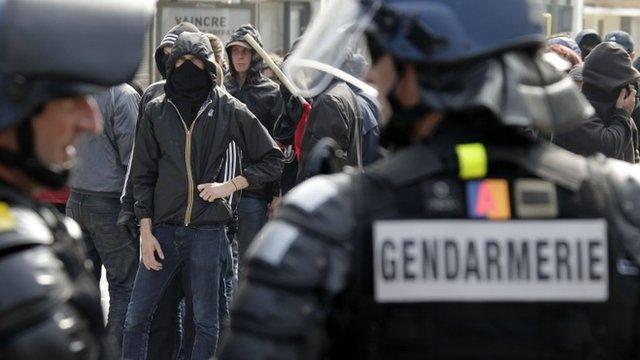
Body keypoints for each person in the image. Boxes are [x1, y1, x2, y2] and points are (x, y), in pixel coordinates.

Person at [220, 0, 640, 359]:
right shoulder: (623, 205)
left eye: (379, 57)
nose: (370, 77)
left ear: (418, 68)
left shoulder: (330, 221)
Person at [0, 0, 151, 359]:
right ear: (12, 103)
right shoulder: (16, 269)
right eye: (72, 100)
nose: (91, 121)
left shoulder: (26, 219)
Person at [123, 31, 283, 360]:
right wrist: (145, 230)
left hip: (207, 231)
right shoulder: (156, 109)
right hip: (162, 231)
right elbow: (143, 174)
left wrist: (232, 185)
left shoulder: (227, 108)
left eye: (195, 62)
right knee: (136, 318)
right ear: (169, 66)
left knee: (207, 322)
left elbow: (272, 158)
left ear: (208, 65)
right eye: (180, 62)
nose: (187, 68)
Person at [66, 83, 140, 352]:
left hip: (77, 198)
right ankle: (113, 352)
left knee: (82, 286)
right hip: (108, 201)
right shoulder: (122, 96)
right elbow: (134, 157)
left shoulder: (79, 91)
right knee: (124, 285)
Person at [224, 24, 284, 272]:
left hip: (254, 190)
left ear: (255, 55)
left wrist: (276, 193)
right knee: (220, 265)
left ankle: (239, 311)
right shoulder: (220, 88)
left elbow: (279, 146)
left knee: (248, 264)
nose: (239, 56)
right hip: (219, 190)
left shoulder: (271, 93)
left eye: (245, 51)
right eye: (234, 51)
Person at [554, 42, 639, 163]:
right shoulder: (576, 113)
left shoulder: (623, 118)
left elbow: (634, 159)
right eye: (624, 85)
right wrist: (622, 114)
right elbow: (607, 148)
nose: (630, 91)